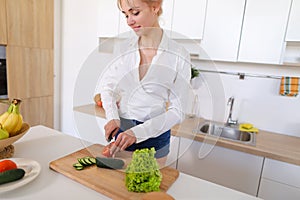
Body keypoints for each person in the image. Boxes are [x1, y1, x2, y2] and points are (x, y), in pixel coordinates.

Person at [97, 0, 192, 165]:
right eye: (126, 15)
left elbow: (179, 110)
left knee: (150, 188)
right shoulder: (122, 49)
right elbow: (108, 87)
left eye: (135, 13)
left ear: (155, 7)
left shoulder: (178, 54)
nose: (129, 21)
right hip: (122, 132)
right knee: (118, 186)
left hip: (156, 135)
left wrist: (138, 132)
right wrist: (112, 117)